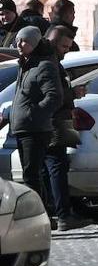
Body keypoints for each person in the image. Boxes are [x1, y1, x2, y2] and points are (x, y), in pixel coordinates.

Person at [6, 27, 63, 214]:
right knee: (31, 175)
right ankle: (42, 214)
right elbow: (22, 97)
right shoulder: (25, 64)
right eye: (19, 40)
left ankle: (39, 216)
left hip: (35, 129)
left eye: (25, 41)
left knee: (32, 176)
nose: (20, 45)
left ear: (35, 43)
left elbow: (54, 97)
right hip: (24, 128)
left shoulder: (43, 65)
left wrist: (33, 114)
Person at [41, 25, 89, 231]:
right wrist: (74, 93)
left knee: (49, 169)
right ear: (52, 41)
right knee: (56, 168)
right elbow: (53, 95)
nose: (66, 50)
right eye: (64, 46)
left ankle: (55, 213)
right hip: (53, 123)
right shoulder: (48, 63)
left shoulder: (47, 60)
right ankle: (63, 215)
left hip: (51, 122)